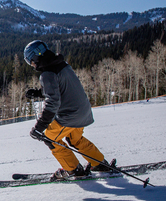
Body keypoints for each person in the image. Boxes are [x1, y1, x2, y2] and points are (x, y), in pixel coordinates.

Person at [23, 40, 109, 179]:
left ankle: (73, 170)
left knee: (51, 139)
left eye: (30, 61)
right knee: (76, 139)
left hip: (69, 117)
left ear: (36, 57)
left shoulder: (47, 73)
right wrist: (39, 93)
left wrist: (39, 127)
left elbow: (53, 103)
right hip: (83, 111)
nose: (32, 65)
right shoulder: (62, 65)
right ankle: (99, 164)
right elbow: (63, 88)